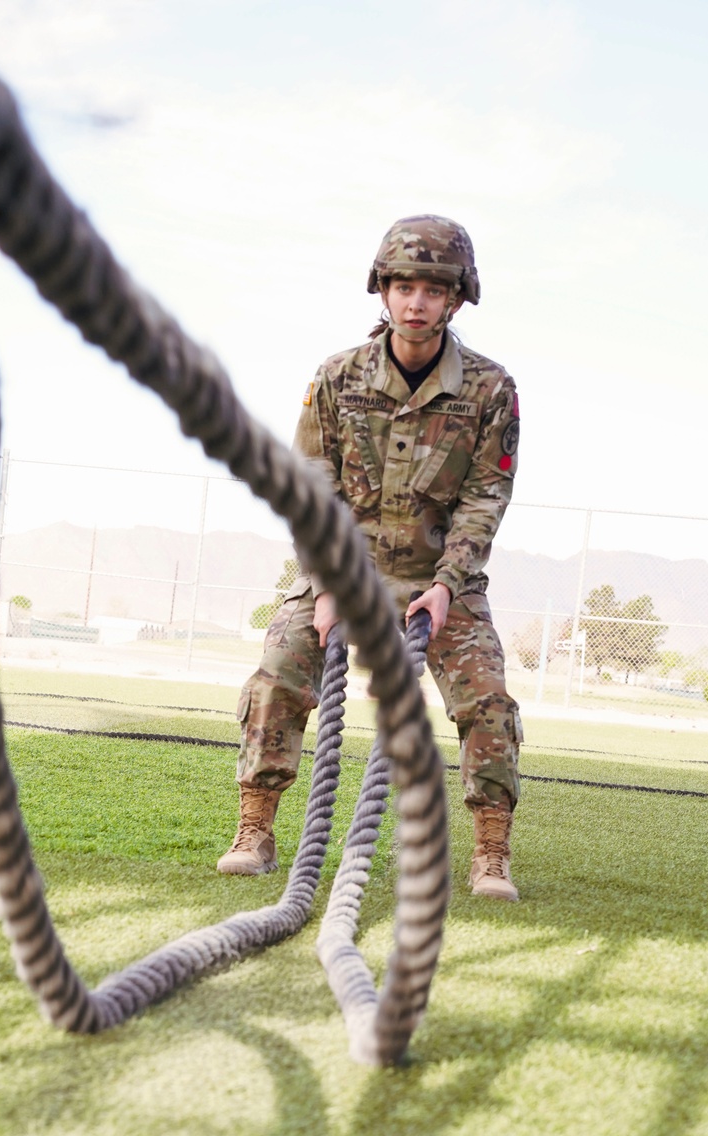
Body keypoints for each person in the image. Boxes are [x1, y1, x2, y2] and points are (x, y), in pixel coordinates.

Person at [217, 214, 523, 900]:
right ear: (382, 291)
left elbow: (484, 498)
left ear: (456, 298)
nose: (416, 301)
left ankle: (493, 852)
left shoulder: (490, 390)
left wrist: (447, 588)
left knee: (490, 700)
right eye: (403, 285)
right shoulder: (335, 377)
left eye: (433, 289)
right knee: (277, 675)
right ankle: (254, 830)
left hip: (443, 580)